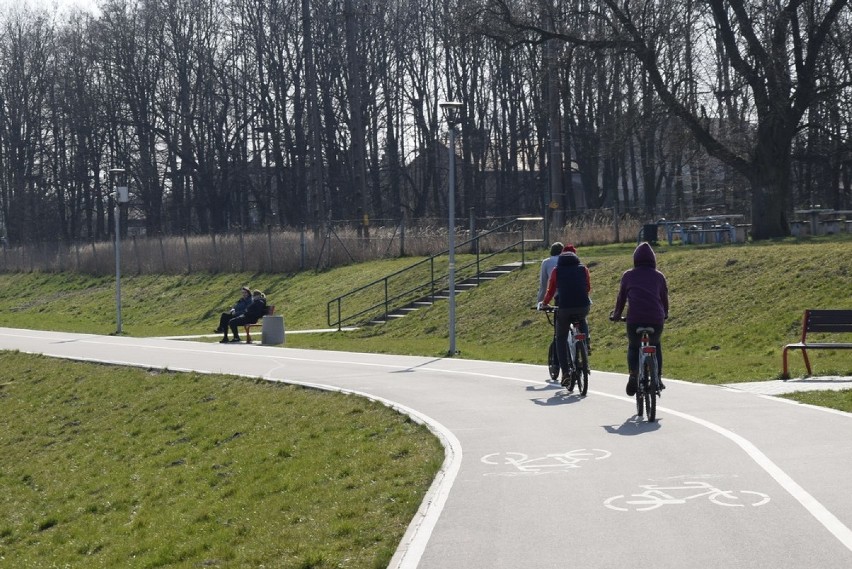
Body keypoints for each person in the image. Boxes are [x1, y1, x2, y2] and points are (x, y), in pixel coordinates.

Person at [609, 242, 669, 395]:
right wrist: (665, 314)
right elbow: (664, 299)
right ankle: (658, 377)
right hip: (656, 319)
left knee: (633, 346)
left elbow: (621, 298)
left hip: (634, 319)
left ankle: (633, 375)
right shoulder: (659, 276)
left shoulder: (628, 275)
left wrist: (617, 315)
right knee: (656, 345)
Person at [539, 244, 592, 386]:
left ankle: (566, 373)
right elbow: (588, 287)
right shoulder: (583, 269)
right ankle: (585, 345)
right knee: (582, 320)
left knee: (560, 338)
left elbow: (550, 291)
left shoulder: (557, 270)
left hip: (564, 308)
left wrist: (544, 303)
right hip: (583, 306)